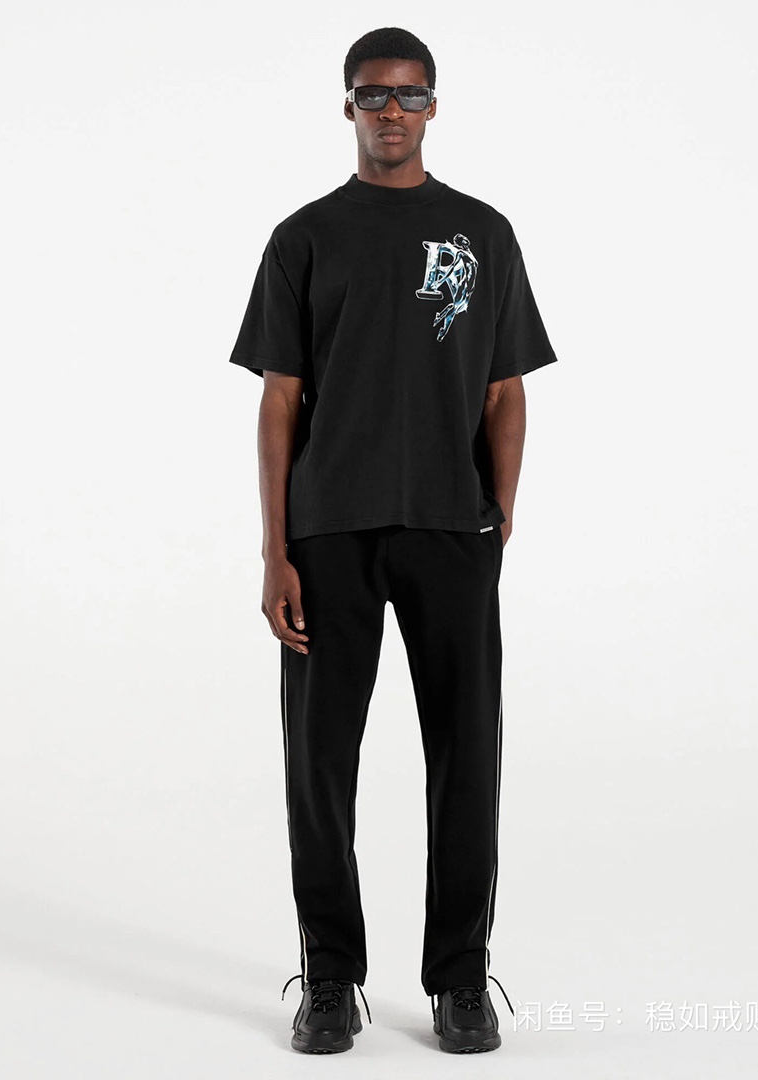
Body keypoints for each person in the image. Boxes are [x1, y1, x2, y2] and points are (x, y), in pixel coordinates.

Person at [228, 26, 558, 1054]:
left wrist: (500, 512)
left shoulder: (482, 233)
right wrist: (275, 549)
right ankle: (331, 978)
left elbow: (505, 390)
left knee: (467, 753)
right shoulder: (304, 238)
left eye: (410, 94)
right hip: (328, 530)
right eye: (374, 94)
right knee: (320, 761)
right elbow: (280, 400)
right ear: (348, 107)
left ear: (433, 107)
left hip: (452, 529)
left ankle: (461, 979)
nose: (392, 111)